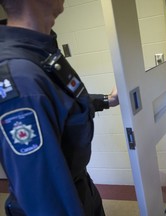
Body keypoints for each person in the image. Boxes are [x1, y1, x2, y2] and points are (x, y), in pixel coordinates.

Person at [0, 0, 119, 215]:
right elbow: (44, 196)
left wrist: (107, 100)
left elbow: (62, 103)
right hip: (63, 198)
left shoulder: (38, 49)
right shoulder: (21, 77)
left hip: (80, 187)